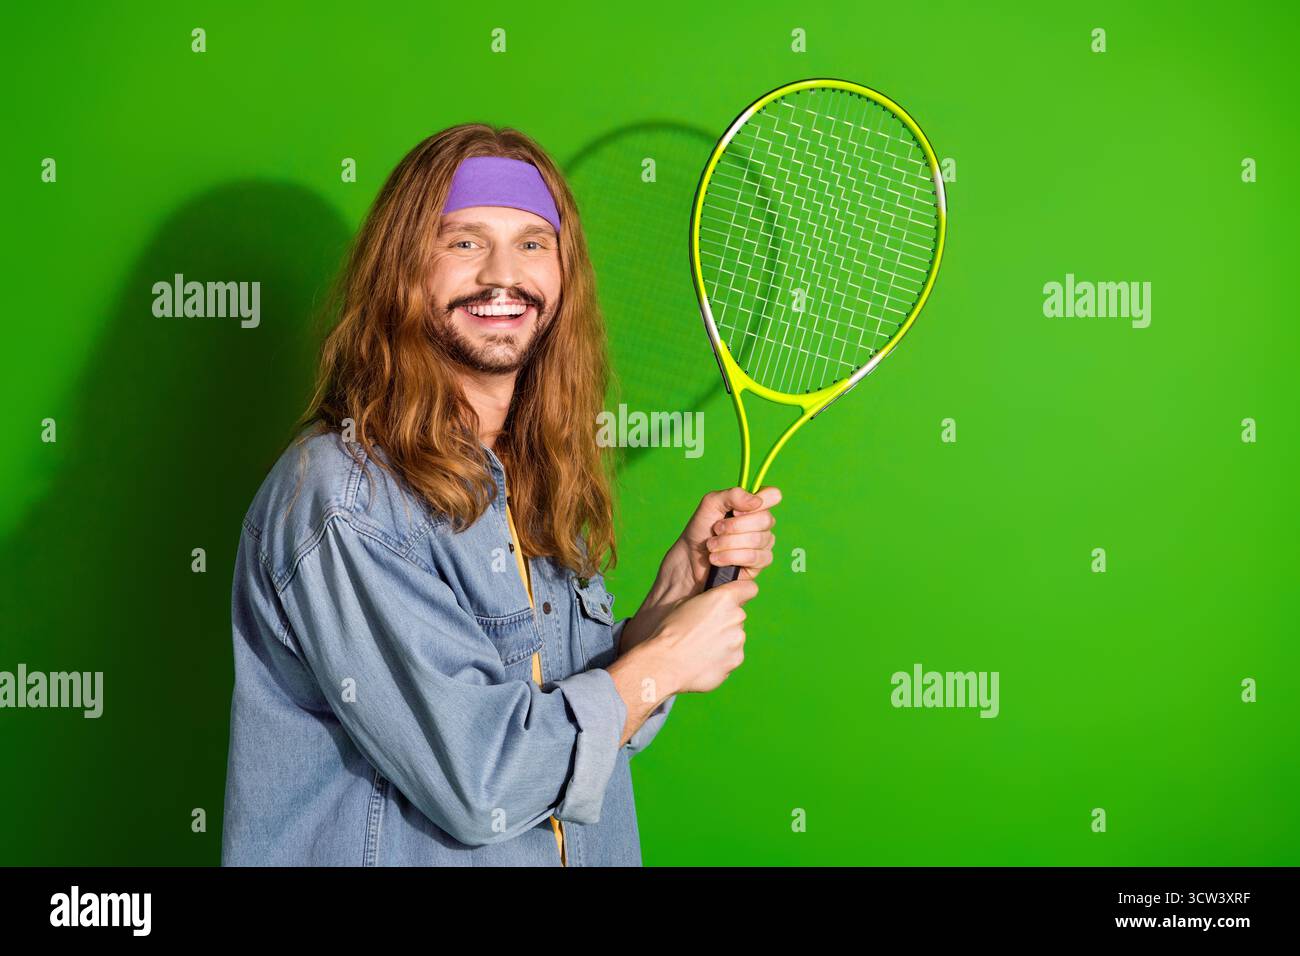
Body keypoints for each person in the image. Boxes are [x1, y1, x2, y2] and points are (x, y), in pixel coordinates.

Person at [220, 123, 780, 866]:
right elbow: (483, 780)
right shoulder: (342, 499)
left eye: (531, 243)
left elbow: (567, 740)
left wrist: (664, 609)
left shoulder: (526, 477)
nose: (501, 275)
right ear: (402, 271)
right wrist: (666, 662)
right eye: (463, 242)